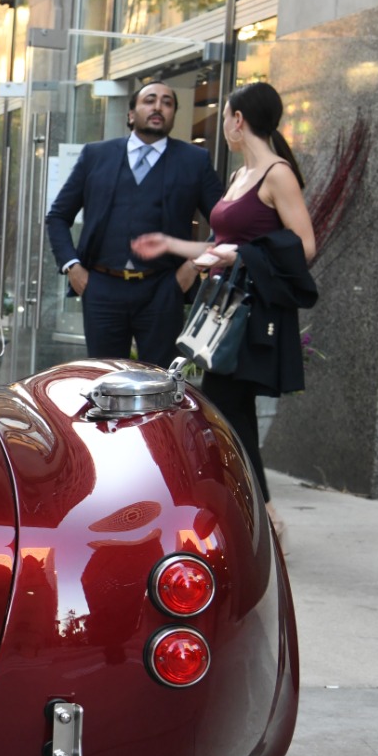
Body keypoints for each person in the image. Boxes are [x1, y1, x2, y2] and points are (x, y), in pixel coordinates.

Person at [131, 81, 317, 526]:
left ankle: (263, 517)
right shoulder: (239, 177)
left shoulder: (277, 174)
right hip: (222, 312)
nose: (225, 126)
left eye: (226, 117)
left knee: (228, 412)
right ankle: (257, 513)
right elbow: (221, 244)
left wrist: (240, 256)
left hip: (251, 315)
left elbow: (304, 246)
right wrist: (174, 246)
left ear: (238, 120)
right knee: (232, 414)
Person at [45, 82, 226, 366]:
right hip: (102, 286)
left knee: (160, 381)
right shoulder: (96, 155)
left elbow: (225, 224)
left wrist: (193, 267)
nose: (158, 107)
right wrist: (72, 267)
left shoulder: (194, 160)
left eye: (167, 103)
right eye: (150, 100)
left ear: (173, 114)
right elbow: (57, 216)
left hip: (164, 287)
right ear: (131, 114)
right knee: (105, 377)